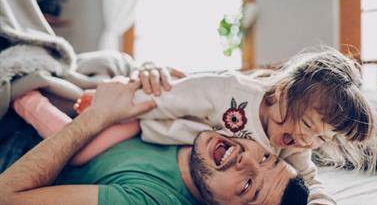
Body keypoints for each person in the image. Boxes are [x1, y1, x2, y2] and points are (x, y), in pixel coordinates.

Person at [14, 47, 377, 204]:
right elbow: (175, 96)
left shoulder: (294, 147)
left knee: (81, 156)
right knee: (85, 139)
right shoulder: (231, 92)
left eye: (320, 137)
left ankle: (36, 101)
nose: (307, 141)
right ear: (285, 92)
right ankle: (33, 99)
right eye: (307, 125)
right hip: (146, 119)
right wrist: (118, 103)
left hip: (156, 139)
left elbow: (310, 181)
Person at [0, 80, 310, 205]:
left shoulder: (150, 200)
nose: (247, 161)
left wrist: (99, 116)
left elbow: (6, 195)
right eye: (268, 159)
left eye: (247, 186)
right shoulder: (218, 120)